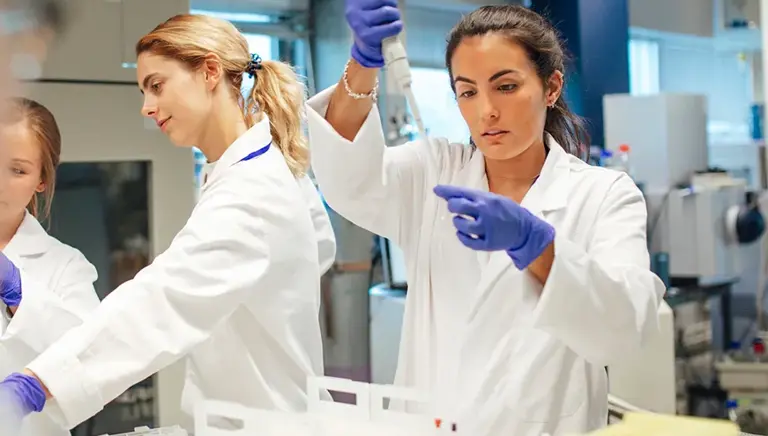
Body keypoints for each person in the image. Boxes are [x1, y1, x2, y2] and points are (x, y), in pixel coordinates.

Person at [306, 2, 664, 435]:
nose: (486, 111)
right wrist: (363, 62)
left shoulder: (603, 195)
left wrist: (537, 245)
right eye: (468, 91)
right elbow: (350, 181)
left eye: (506, 87)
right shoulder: (434, 170)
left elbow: (623, 327)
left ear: (551, 87)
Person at [0, 13, 335, 432]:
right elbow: (319, 247)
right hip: (246, 413)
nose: (146, 106)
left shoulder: (251, 190)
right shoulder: (247, 168)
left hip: (262, 422)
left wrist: (36, 382)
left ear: (210, 71)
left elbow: (160, 300)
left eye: (156, 86)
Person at [0, 97, 100, 436]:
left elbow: (91, 362)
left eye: (18, 170)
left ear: (41, 180)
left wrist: (19, 293)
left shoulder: (66, 267)